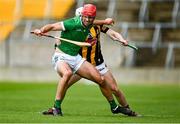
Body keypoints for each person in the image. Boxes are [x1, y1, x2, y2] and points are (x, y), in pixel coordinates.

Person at [32, 4, 131, 116]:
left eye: (90, 18)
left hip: (77, 58)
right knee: (67, 74)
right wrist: (41, 30)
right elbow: (52, 26)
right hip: (61, 56)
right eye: (85, 17)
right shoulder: (72, 23)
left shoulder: (90, 23)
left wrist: (106, 22)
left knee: (101, 80)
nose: (88, 20)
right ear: (81, 16)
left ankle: (114, 107)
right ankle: (56, 108)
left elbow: (100, 24)